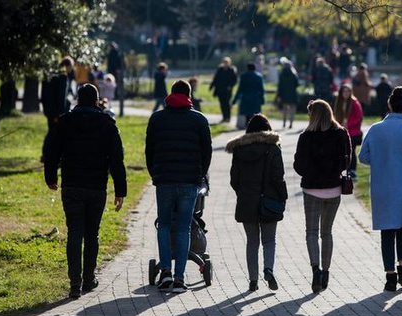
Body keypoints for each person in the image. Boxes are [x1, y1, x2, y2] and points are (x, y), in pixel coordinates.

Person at [44, 84, 127, 299]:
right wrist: (120, 190)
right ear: (97, 100)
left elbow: (52, 151)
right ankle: (89, 279)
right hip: (96, 186)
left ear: (78, 100)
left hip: (71, 184)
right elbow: (117, 159)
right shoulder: (107, 124)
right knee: (92, 234)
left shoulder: (65, 121)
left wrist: (51, 177)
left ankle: (74, 283)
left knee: (74, 232)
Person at [145, 80, 212, 293]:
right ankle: (180, 278)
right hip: (189, 181)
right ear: (189, 95)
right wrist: (200, 175)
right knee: (184, 228)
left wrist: (155, 174)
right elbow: (207, 152)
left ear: (171, 94)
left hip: (164, 180)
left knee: (164, 225)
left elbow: (150, 150)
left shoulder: (157, 118)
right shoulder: (199, 120)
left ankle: (165, 271)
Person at [358, 86, 402, 292]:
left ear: (389, 104)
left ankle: (390, 275)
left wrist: (380, 160)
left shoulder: (376, 129)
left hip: (382, 187)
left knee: (387, 231)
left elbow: (363, 156)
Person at [225, 114, 288, 292]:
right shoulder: (273, 148)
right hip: (270, 200)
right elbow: (278, 177)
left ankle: (253, 281)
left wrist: (243, 193)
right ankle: (268, 269)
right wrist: (282, 195)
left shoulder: (239, 150)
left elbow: (234, 180)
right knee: (269, 240)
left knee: (252, 242)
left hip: (247, 201)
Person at [294, 99, 351, 293]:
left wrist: (311, 171)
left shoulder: (306, 137)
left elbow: (298, 166)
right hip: (333, 189)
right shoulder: (341, 134)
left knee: (311, 232)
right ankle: (326, 272)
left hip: (311, 189)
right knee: (327, 232)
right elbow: (346, 161)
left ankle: (315, 271)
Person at [41, 56, 74, 162]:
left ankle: (47, 154)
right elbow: (61, 97)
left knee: (51, 132)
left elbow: (43, 95)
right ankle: (49, 155)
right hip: (57, 112)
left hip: (49, 110)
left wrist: (46, 110)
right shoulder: (63, 76)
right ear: (68, 66)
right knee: (55, 134)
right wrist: (60, 114)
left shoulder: (49, 75)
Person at [334, 84, 363, 178]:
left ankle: (352, 170)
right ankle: (344, 169)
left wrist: (348, 124)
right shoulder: (339, 103)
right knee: (343, 152)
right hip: (342, 131)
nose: (346, 93)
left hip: (353, 132)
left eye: (348, 91)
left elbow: (359, 117)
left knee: (351, 151)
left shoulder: (354, 103)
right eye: (344, 91)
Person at [232, 63, 265, 129]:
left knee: (247, 115)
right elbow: (261, 90)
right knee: (255, 115)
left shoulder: (243, 76)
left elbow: (240, 89)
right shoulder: (259, 77)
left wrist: (234, 101)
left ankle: (247, 128)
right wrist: (262, 100)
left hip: (245, 98)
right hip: (255, 99)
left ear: (247, 68)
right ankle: (254, 128)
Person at [209, 56, 238, 123]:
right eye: (224, 62)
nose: (225, 63)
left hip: (227, 91)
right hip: (220, 90)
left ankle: (228, 117)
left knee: (227, 104)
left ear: (229, 63)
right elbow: (216, 78)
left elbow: (235, 80)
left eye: (226, 62)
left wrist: (230, 86)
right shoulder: (220, 69)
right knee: (222, 104)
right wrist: (211, 86)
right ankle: (224, 117)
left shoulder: (231, 70)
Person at [276, 58, 299, 129]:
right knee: (292, 108)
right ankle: (291, 123)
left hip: (284, 94)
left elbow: (279, 85)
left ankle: (284, 123)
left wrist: (279, 95)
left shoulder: (282, 73)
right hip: (292, 93)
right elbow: (297, 84)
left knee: (284, 108)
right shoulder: (294, 73)